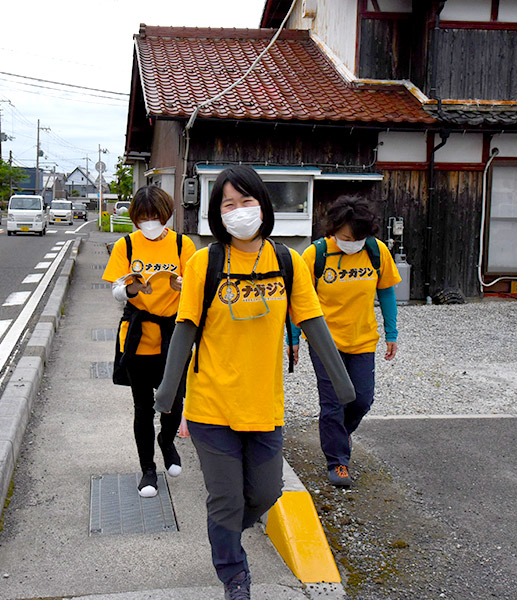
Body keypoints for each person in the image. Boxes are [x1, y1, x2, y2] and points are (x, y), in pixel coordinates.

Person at [154, 165, 354, 600]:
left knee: (264, 494)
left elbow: (313, 322)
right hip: (211, 405)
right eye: (229, 204)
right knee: (225, 500)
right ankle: (235, 576)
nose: (240, 211)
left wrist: (343, 383)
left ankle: (223, 528)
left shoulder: (287, 261)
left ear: (264, 206)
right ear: (216, 213)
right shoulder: (203, 263)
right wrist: (168, 393)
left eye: (247, 201)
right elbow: (185, 330)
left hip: (264, 405)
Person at [289, 194, 400, 488]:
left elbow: (386, 292)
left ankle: (340, 432)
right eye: (348, 237)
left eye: (360, 237)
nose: (354, 242)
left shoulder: (376, 252)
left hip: (363, 338)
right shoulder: (316, 255)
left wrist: (392, 333)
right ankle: (338, 462)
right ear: (334, 229)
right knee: (333, 402)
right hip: (325, 341)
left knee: (362, 399)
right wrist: (294, 337)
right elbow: (298, 299)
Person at [102, 186, 196, 498]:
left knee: (172, 401)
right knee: (142, 408)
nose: (150, 223)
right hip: (138, 336)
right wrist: (131, 290)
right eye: (143, 218)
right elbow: (116, 288)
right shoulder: (126, 244)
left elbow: (197, 288)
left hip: (174, 335)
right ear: (135, 220)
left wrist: (183, 286)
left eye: (155, 217)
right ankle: (147, 470)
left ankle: (166, 442)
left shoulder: (183, 244)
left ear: (166, 215)